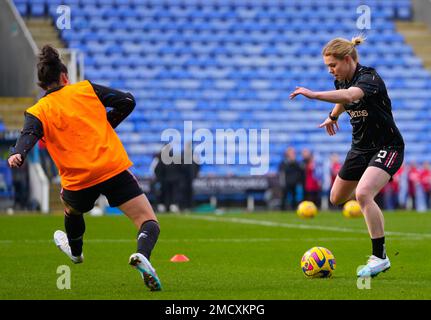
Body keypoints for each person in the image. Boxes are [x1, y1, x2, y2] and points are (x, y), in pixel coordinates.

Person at [7, 45, 161, 291]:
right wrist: (108, 124)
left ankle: (76, 254)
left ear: (41, 84)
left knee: (72, 211)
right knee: (147, 220)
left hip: (78, 181)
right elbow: (127, 101)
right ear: (65, 77)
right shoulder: (86, 89)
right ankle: (142, 255)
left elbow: (29, 134)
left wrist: (18, 153)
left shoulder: (38, 111)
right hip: (112, 168)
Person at [290, 36, 404, 278]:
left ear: (348, 59)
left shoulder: (369, 78)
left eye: (333, 65)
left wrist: (313, 95)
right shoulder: (341, 80)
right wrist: (333, 116)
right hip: (360, 149)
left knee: (363, 193)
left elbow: (350, 96)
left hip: (388, 146)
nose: (330, 70)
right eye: (328, 66)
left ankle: (379, 257)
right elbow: (342, 97)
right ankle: (370, 191)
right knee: (336, 197)